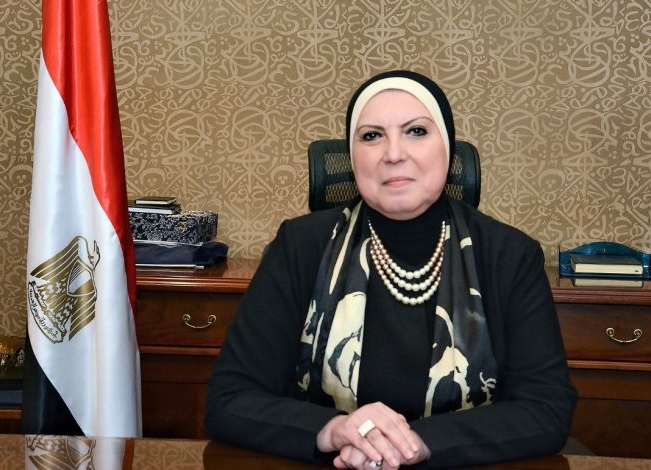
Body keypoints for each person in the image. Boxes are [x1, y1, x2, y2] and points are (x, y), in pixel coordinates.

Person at [205, 70, 577, 469]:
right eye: (372, 136)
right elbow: (229, 399)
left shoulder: (509, 254)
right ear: (352, 158)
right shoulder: (300, 245)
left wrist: (415, 442)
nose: (393, 153)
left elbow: (546, 410)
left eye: (416, 131)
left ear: (448, 148)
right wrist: (335, 430)